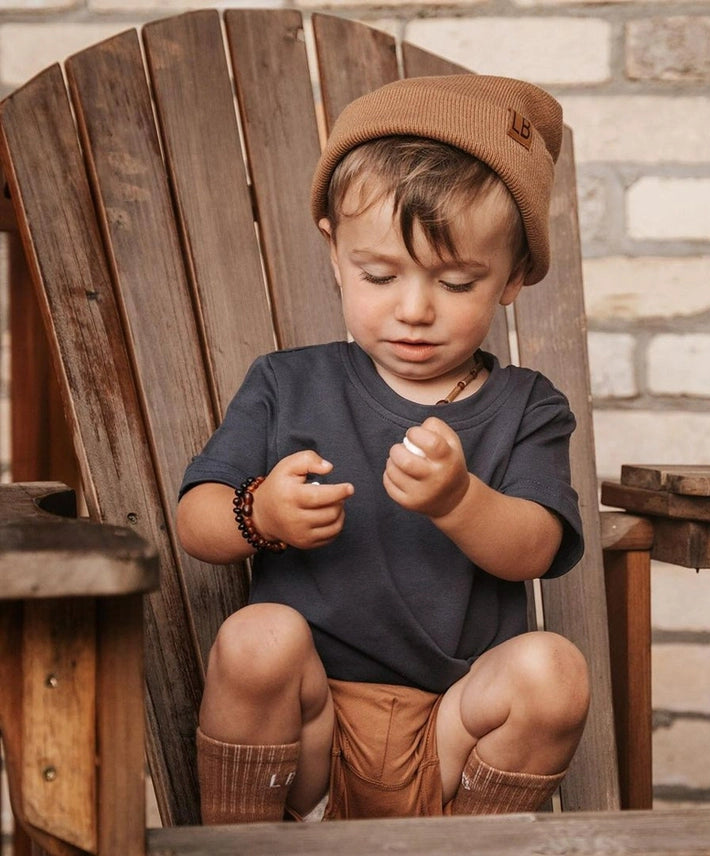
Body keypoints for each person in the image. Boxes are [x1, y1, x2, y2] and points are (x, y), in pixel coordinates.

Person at [177, 73, 589, 824]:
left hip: (453, 734)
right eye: (378, 274)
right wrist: (258, 514)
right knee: (256, 637)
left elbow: (535, 547)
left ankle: (469, 846)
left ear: (513, 278)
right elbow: (196, 521)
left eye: (457, 282)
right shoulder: (286, 384)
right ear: (335, 255)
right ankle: (240, 849)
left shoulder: (527, 407)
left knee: (554, 672)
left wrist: (460, 501)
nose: (414, 310)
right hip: (309, 729)